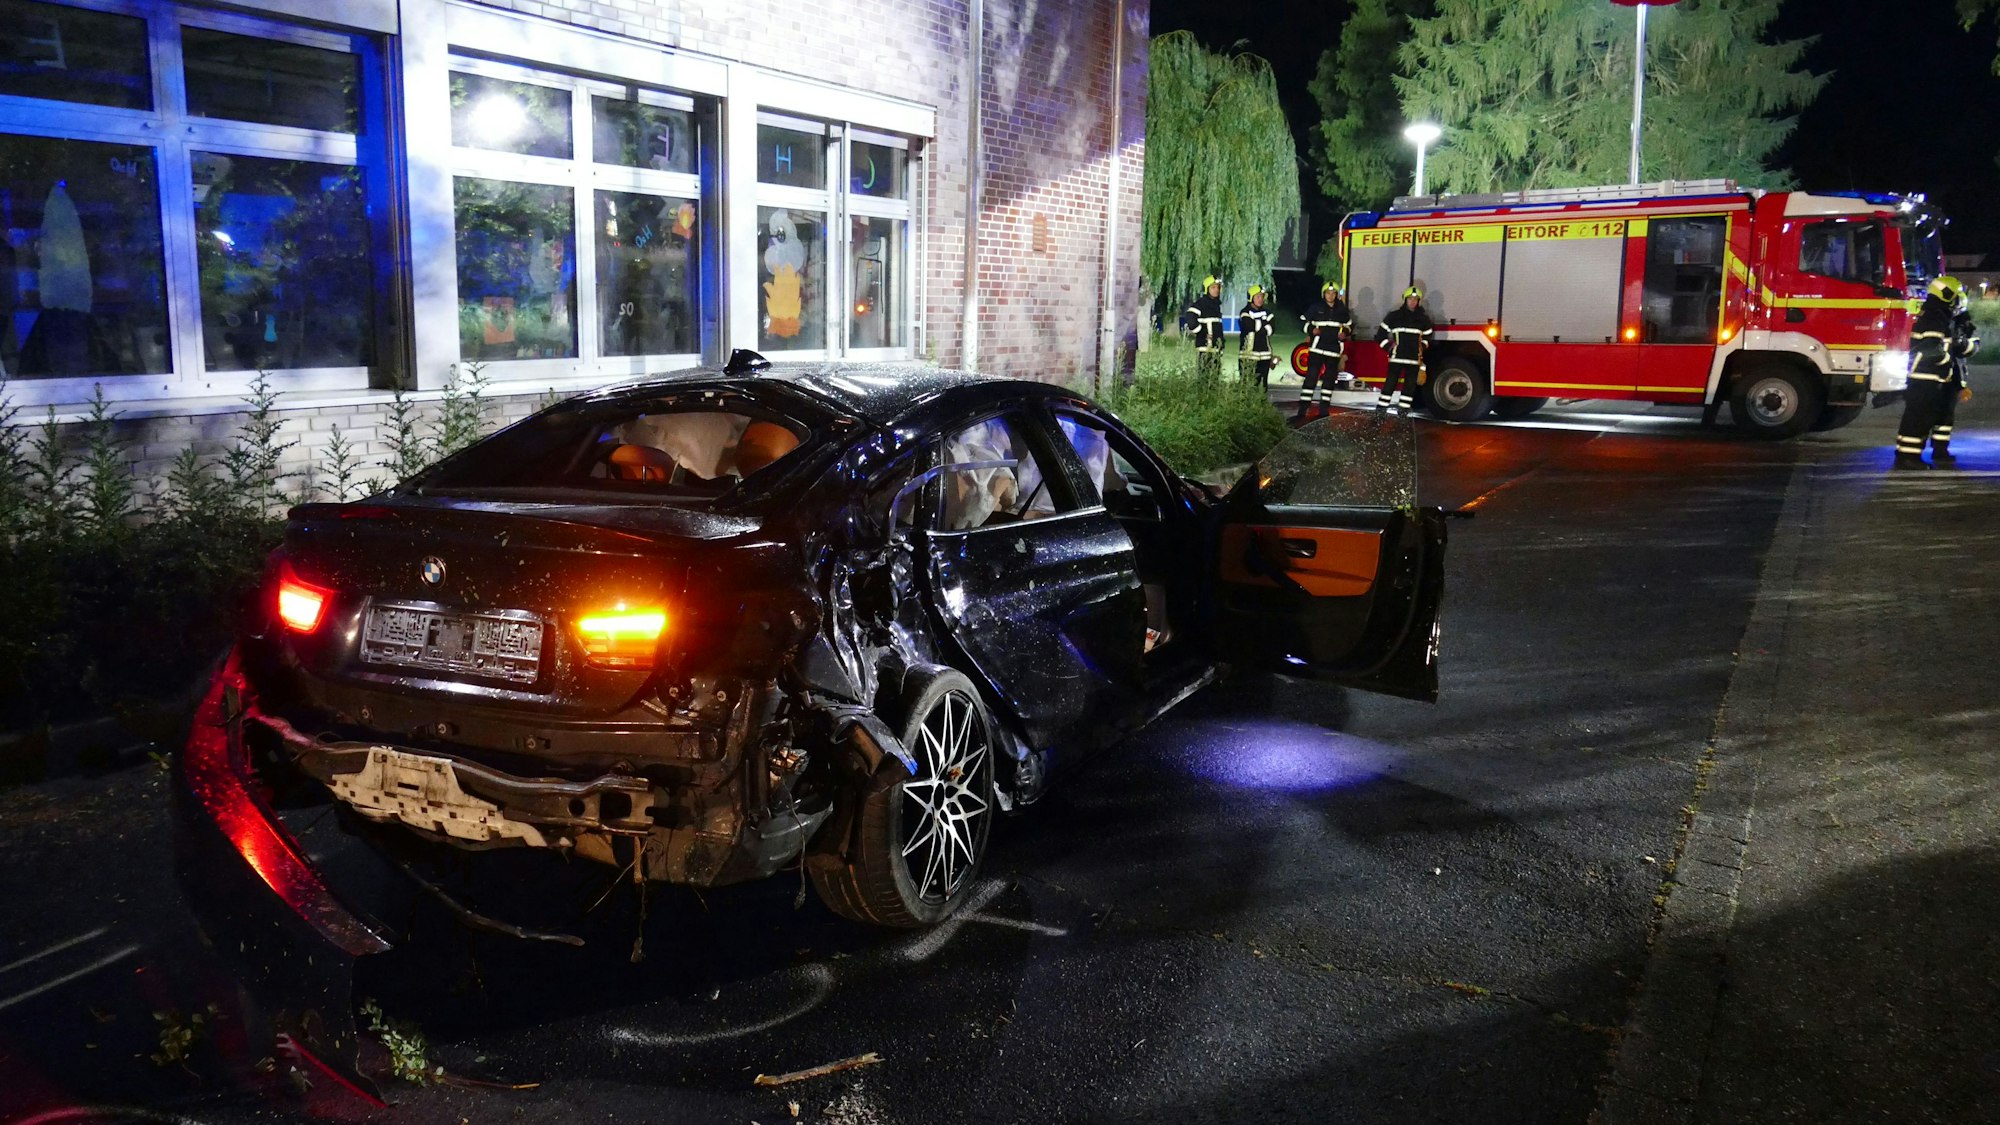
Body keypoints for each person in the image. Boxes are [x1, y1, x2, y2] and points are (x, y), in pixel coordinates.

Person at [1894, 275, 1978, 470]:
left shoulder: (1936, 314)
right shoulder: (1935, 317)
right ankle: (1908, 458)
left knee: (1920, 417)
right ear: (1949, 295)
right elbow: (1931, 349)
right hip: (1926, 376)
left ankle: (1908, 455)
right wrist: (1947, 363)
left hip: (1928, 377)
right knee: (1918, 419)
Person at [1297, 281, 1353, 420]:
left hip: (1333, 350)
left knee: (1329, 381)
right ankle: (1303, 409)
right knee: (1311, 378)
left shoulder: (1342, 309)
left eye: (1333, 293)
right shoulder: (1316, 307)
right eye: (1328, 293)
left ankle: (1324, 411)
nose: (1331, 295)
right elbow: (1303, 322)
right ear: (1324, 294)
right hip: (1317, 349)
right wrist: (1311, 330)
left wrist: (1345, 333)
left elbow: (1350, 326)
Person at [1375, 285, 1433, 414]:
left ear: (1419, 301)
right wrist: (1389, 348)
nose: (1413, 301)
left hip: (1413, 359)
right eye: (1410, 299)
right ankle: (1379, 416)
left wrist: (1421, 347)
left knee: (1409, 389)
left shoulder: (1423, 319)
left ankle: (1402, 418)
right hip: (1396, 358)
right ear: (1405, 299)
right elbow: (1380, 335)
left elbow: (1428, 337)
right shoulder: (1394, 316)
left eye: (1415, 299)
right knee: (1389, 386)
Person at [1180, 275, 1224, 381]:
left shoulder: (1216, 305)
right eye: (1213, 287)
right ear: (1207, 289)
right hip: (1205, 347)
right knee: (1204, 377)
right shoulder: (1201, 303)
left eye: (1218, 287)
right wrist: (1201, 333)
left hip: (1216, 348)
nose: (1216, 290)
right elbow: (1190, 317)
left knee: (1214, 378)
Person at [1237, 284, 1276, 388]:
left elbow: (1271, 330)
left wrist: (1256, 324)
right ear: (1251, 298)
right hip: (1248, 355)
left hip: (1265, 355)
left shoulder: (1268, 313)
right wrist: (1264, 323)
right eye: (1257, 296)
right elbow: (1248, 326)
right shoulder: (1245, 312)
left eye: (1262, 296)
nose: (1260, 299)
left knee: (1263, 386)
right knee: (1247, 385)